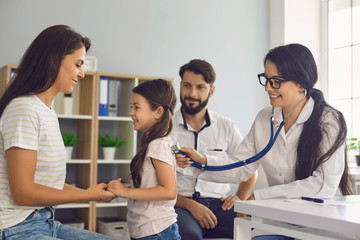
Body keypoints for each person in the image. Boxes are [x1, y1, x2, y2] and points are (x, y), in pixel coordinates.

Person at [176, 44, 354, 240]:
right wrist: (202, 161)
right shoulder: (264, 118)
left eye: (276, 81)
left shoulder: (328, 121)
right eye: (267, 80)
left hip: (322, 222)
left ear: (302, 84)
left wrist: (259, 197)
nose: (268, 88)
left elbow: (323, 185)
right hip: (282, 219)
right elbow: (240, 167)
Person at [0, 25, 117, 240]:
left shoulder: (47, 111)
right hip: (15, 228)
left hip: (46, 221)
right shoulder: (23, 109)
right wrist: (88, 196)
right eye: (78, 64)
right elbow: (23, 192)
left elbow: (48, 183)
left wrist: (90, 193)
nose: (82, 73)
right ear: (53, 60)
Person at [171, 59, 257, 239]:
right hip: (180, 205)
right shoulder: (166, 127)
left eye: (200, 87)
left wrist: (240, 197)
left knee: (257, 230)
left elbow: (249, 170)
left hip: (219, 206)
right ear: (180, 86)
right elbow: (153, 183)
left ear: (211, 90)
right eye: (187, 85)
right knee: (190, 235)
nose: (192, 93)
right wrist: (189, 205)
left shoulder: (227, 126)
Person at [107, 79, 180, 240]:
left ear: (158, 112)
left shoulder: (158, 144)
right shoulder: (159, 141)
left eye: (136, 107)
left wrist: (126, 192)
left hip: (156, 231)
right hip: (150, 230)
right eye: (131, 107)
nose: (131, 112)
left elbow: (169, 191)